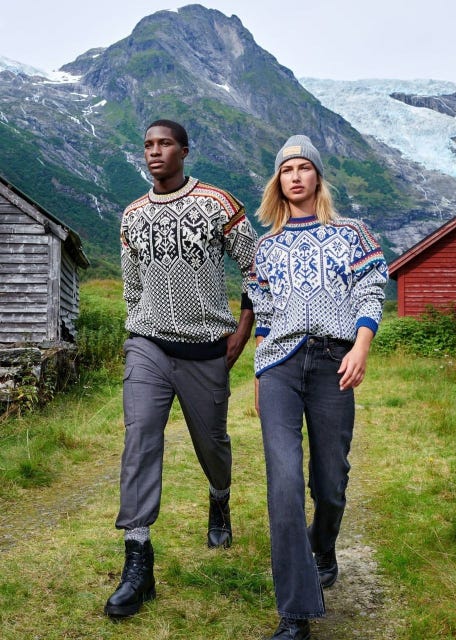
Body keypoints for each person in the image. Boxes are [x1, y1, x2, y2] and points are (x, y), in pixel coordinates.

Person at [104, 119, 257, 619]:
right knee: (140, 436)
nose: (154, 151)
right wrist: (136, 329)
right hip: (147, 344)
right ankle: (138, 559)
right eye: (148, 144)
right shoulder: (132, 215)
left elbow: (255, 268)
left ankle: (219, 497)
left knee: (212, 444)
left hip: (206, 349)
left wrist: (242, 331)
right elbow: (131, 285)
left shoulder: (219, 204)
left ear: (184, 151)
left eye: (165, 143)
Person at [248, 135, 388, 640]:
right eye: (287, 170)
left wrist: (361, 346)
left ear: (317, 176)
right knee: (284, 482)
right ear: (278, 182)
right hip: (280, 367)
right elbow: (264, 317)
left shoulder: (352, 233)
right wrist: (259, 376)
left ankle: (323, 546)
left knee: (331, 481)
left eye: (304, 168)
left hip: (334, 362)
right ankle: (296, 613)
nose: (296, 176)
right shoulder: (265, 248)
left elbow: (372, 288)